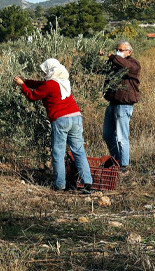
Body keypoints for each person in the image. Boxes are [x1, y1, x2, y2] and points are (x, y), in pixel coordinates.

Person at [14, 58, 94, 194]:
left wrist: (22, 86)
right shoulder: (63, 81)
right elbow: (41, 84)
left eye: (45, 72)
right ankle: (87, 183)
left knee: (58, 152)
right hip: (76, 117)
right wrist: (26, 81)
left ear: (51, 71)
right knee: (79, 151)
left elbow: (32, 96)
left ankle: (60, 185)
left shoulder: (50, 85)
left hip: (61, 120)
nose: (44, 75)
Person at [101, 41, 140, 173]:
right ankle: (116, 159)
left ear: (129, 52)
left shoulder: (133, 64)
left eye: (121, 50)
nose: (118, 52)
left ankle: (124, 166)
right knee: (107, 134)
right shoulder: (115, 63)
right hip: (112, 104)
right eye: (117, 49)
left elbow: (125, 66)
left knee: (121, 137)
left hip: (124, 105)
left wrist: (112, 56)